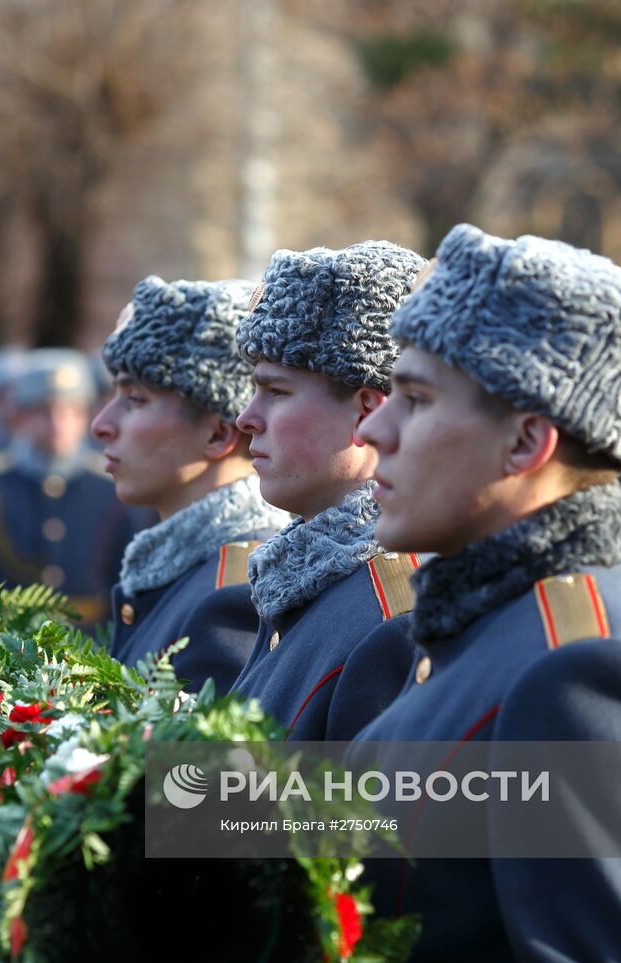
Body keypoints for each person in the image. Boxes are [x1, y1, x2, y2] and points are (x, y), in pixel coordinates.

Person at [351, 223, 621, 961]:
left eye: (416, 399)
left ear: (525, 443)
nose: (377, 426)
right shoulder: (487, 626)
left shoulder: (584, 675)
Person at [227, 240, 429, 740]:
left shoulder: (394, 617)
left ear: (369, 410)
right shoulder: (308, 577)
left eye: (275, 391)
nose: (246, 418)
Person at [92, 276, 292, 692]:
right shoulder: (191, 570)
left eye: (136, 399)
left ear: (219, 435)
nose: (101, 425)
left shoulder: (233, 594)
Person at [0, 348, 149, 625]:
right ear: (20, 417)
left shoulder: (110, 485)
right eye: (44, 411)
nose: (57, 424)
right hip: (6, 641)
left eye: (70, 411)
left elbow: (126, 582)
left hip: (91, 642)